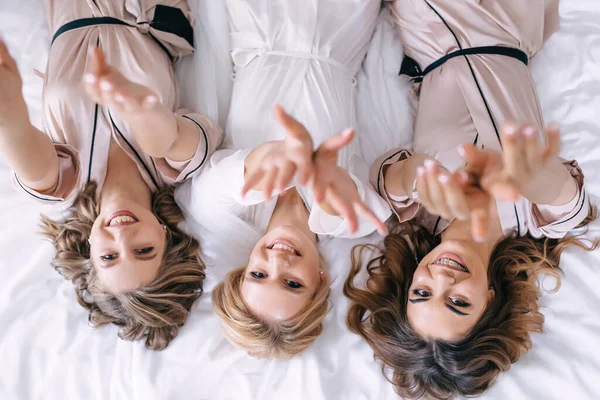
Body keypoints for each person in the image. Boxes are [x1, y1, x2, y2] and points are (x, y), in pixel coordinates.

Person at [344, 1, 598, 399]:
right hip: (513, 25)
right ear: (490, 300)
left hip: (433, 26)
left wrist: (418, 176)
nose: (441, 279)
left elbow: (388, 176)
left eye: (422, 293)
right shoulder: (536, 220)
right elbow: (569, 200)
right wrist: (528, 174)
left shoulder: (418, 214)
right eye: (458, 302)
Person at [0, 0, 222, 350]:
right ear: (166, 237)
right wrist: (135, 106)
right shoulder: (175, 168)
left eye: (109, 256)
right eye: (143, 249)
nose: (122, 237)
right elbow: (168, 136)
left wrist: (8, 115)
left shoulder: (67, 182)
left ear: (89, 250)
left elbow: (30, 161)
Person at [176, 0, 391, 359]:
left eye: (258, 275)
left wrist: (277, 156)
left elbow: (223, 180)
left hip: (260, 20)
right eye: (292, 283)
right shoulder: (345, 224)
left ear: (243, 270)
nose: (277, 262)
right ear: (320, 279)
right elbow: (365, 207)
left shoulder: (223, 214)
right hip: (341, 30)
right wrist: (325, 179)